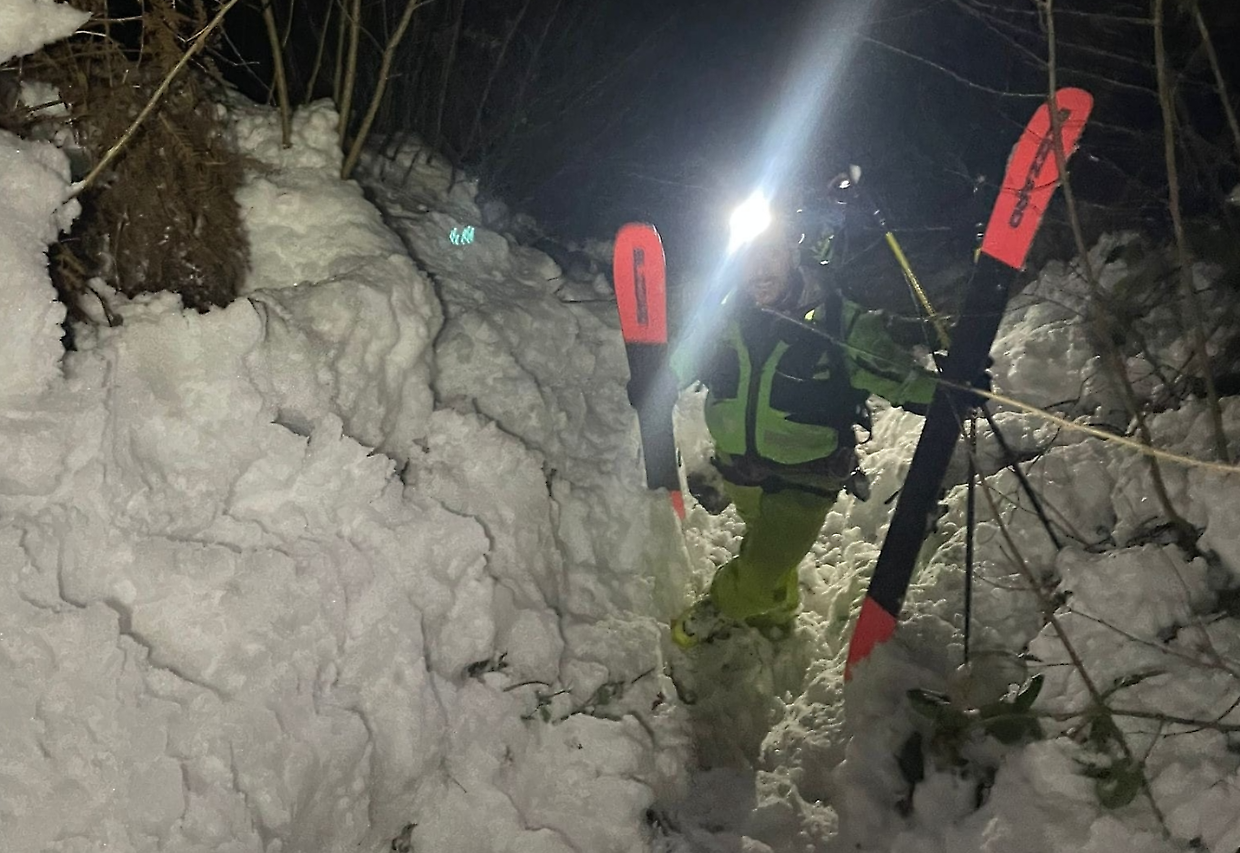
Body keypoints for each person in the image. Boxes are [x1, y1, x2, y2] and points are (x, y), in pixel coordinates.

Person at [667, 203, 948, 649]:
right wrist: (656, 380)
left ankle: (719, 609)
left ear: (793, 254)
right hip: (740, 469)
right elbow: (682, 361)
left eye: (771, 254)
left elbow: (898, 376)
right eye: (748, 255)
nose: (759, 268)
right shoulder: (723, 315)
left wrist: (950, 392)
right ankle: (777, 614)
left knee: (757, 572)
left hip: (807, 477)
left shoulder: (840, 322)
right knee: (767, 549)